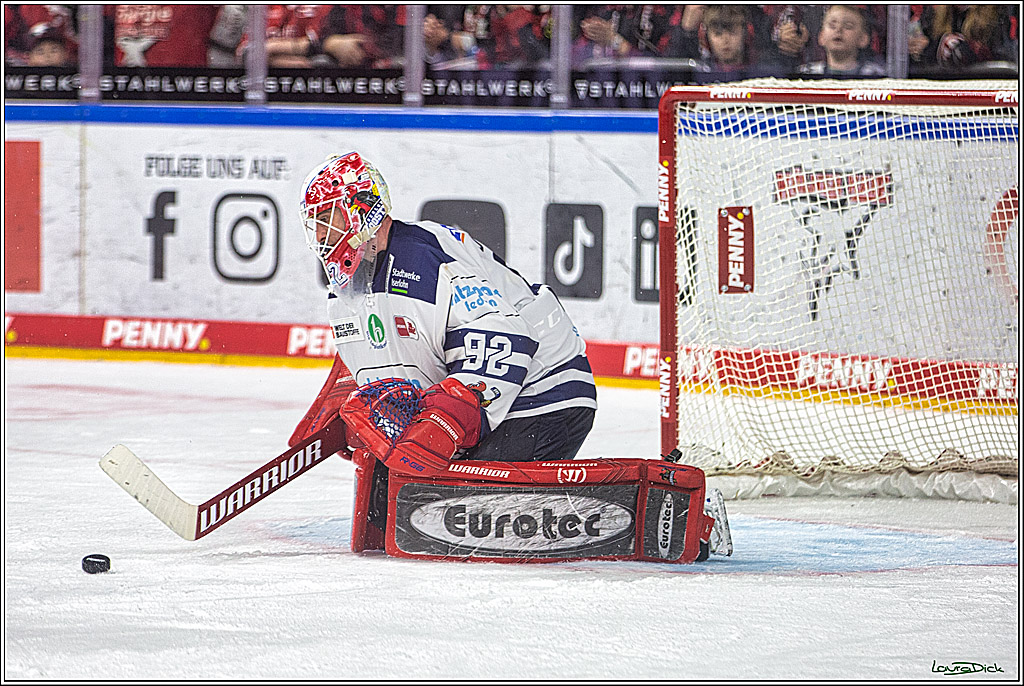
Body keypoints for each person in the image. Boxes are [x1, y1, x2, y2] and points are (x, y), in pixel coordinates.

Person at [293, 152, 599, 544]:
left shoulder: (426, 255)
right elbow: (387, 361)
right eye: (314, 224)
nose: (319, 236)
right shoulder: (347, 286)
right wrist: (346, 405)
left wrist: (442, 423)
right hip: (486, 408)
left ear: (361, 209)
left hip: (544, 396)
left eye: (328, 219)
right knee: (388, 509)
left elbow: (504, 340)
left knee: (444, 513)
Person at [798, 4, 884, 77]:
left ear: (863, 39)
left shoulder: (874, 74)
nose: (838, 30)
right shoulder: (806, 73)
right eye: (832, 26)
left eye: (848, 26)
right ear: (821, 36)